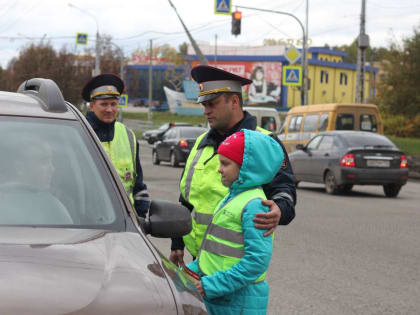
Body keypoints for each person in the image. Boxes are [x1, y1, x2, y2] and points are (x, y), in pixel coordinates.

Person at [170, 65, 296, 266]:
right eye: (204, 105)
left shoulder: (263, 143)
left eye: (212, 104)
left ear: (234, 101)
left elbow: (284, 190)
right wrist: (177, 243)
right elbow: (186, 200)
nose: (206, 111)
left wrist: (279, 208)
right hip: (198, 261)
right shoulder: (201, 143)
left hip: (236, 266)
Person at [186, 129, 284, 314]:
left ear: (246, 167)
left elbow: (256, 262)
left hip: (238, 302)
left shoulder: (255, 205)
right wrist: (188, 271)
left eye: (225, 163)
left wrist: (209, 285)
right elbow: (213, 252)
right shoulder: (233, 197)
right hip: (221, 297)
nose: (219, 169)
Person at [82, 73, 150, 217]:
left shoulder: (128, 135)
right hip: (87, 222)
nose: (109, 109)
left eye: (113, 104)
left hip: (125, 224)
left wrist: (141, 219)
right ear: (92, 105)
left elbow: (138, 185)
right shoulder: (79, 133)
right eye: (104, 104)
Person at [0, 138, 72, 224]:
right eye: (44, 162)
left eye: (51, 162)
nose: (52, 169)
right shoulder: (51, 207)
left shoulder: (59, 201)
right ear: (19, 168)